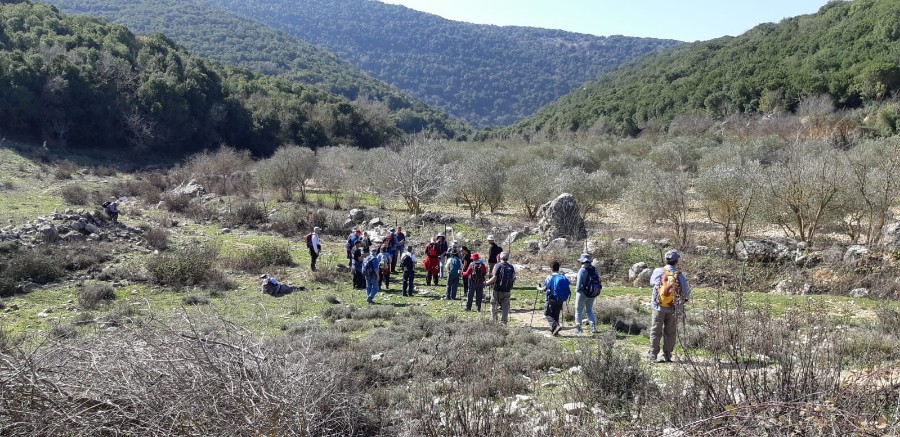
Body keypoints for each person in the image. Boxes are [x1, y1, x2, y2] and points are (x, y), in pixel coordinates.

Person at [648, 250, 691, 363]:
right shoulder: (679, 275)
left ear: (666, 260)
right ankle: (667, 356)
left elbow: (652, 283)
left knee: (655, 330)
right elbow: (685, 292)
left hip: (658, 306)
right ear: (676, 261)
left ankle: (652, 355)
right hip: (673, 307)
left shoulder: (658, 271)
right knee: (670, 332)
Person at [574, 253, 602, 334]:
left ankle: (578, 328)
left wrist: (577, 291)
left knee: (578, 310)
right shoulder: (594, 269)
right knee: (589, 310)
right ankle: (593, 327)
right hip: (592, 293)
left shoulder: (582, 270)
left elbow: (579, 284)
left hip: (582, 293)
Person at [486, 252, 515, 324]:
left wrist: (487, 283)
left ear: (500, 258)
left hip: (497, 289)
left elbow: (495, 277)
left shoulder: (498, 265)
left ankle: (494, 321)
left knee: (494, 305)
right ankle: (504, 322)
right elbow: (514, 278)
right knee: (505, 307)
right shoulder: (511, 267)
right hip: (507, 290)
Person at [543, 261, 571, 336]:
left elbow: (545, 288)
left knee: (547, 313)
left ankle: (556, 326)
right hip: (561, 298)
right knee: (556, 314)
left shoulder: (550, 277)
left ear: (551, 268)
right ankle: (555, 331)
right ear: (558, 268)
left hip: (551, 298)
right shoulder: (563, 277)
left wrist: (539, 288)